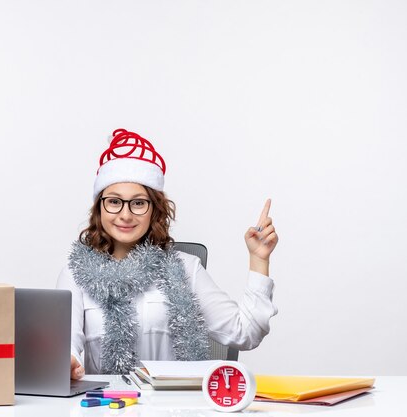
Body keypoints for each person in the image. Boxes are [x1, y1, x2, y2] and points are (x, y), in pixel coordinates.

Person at [56, 128, 278, 379]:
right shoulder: (75, 275)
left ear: (155, 210)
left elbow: (245, 333)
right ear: (100, 208)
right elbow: (66, 350)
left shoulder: (186, 268)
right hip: (106, 407)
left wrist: (259, 260)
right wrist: (65, 364)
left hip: (174, 407)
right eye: (114, 201)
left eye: (139, 202)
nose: (126, 214)